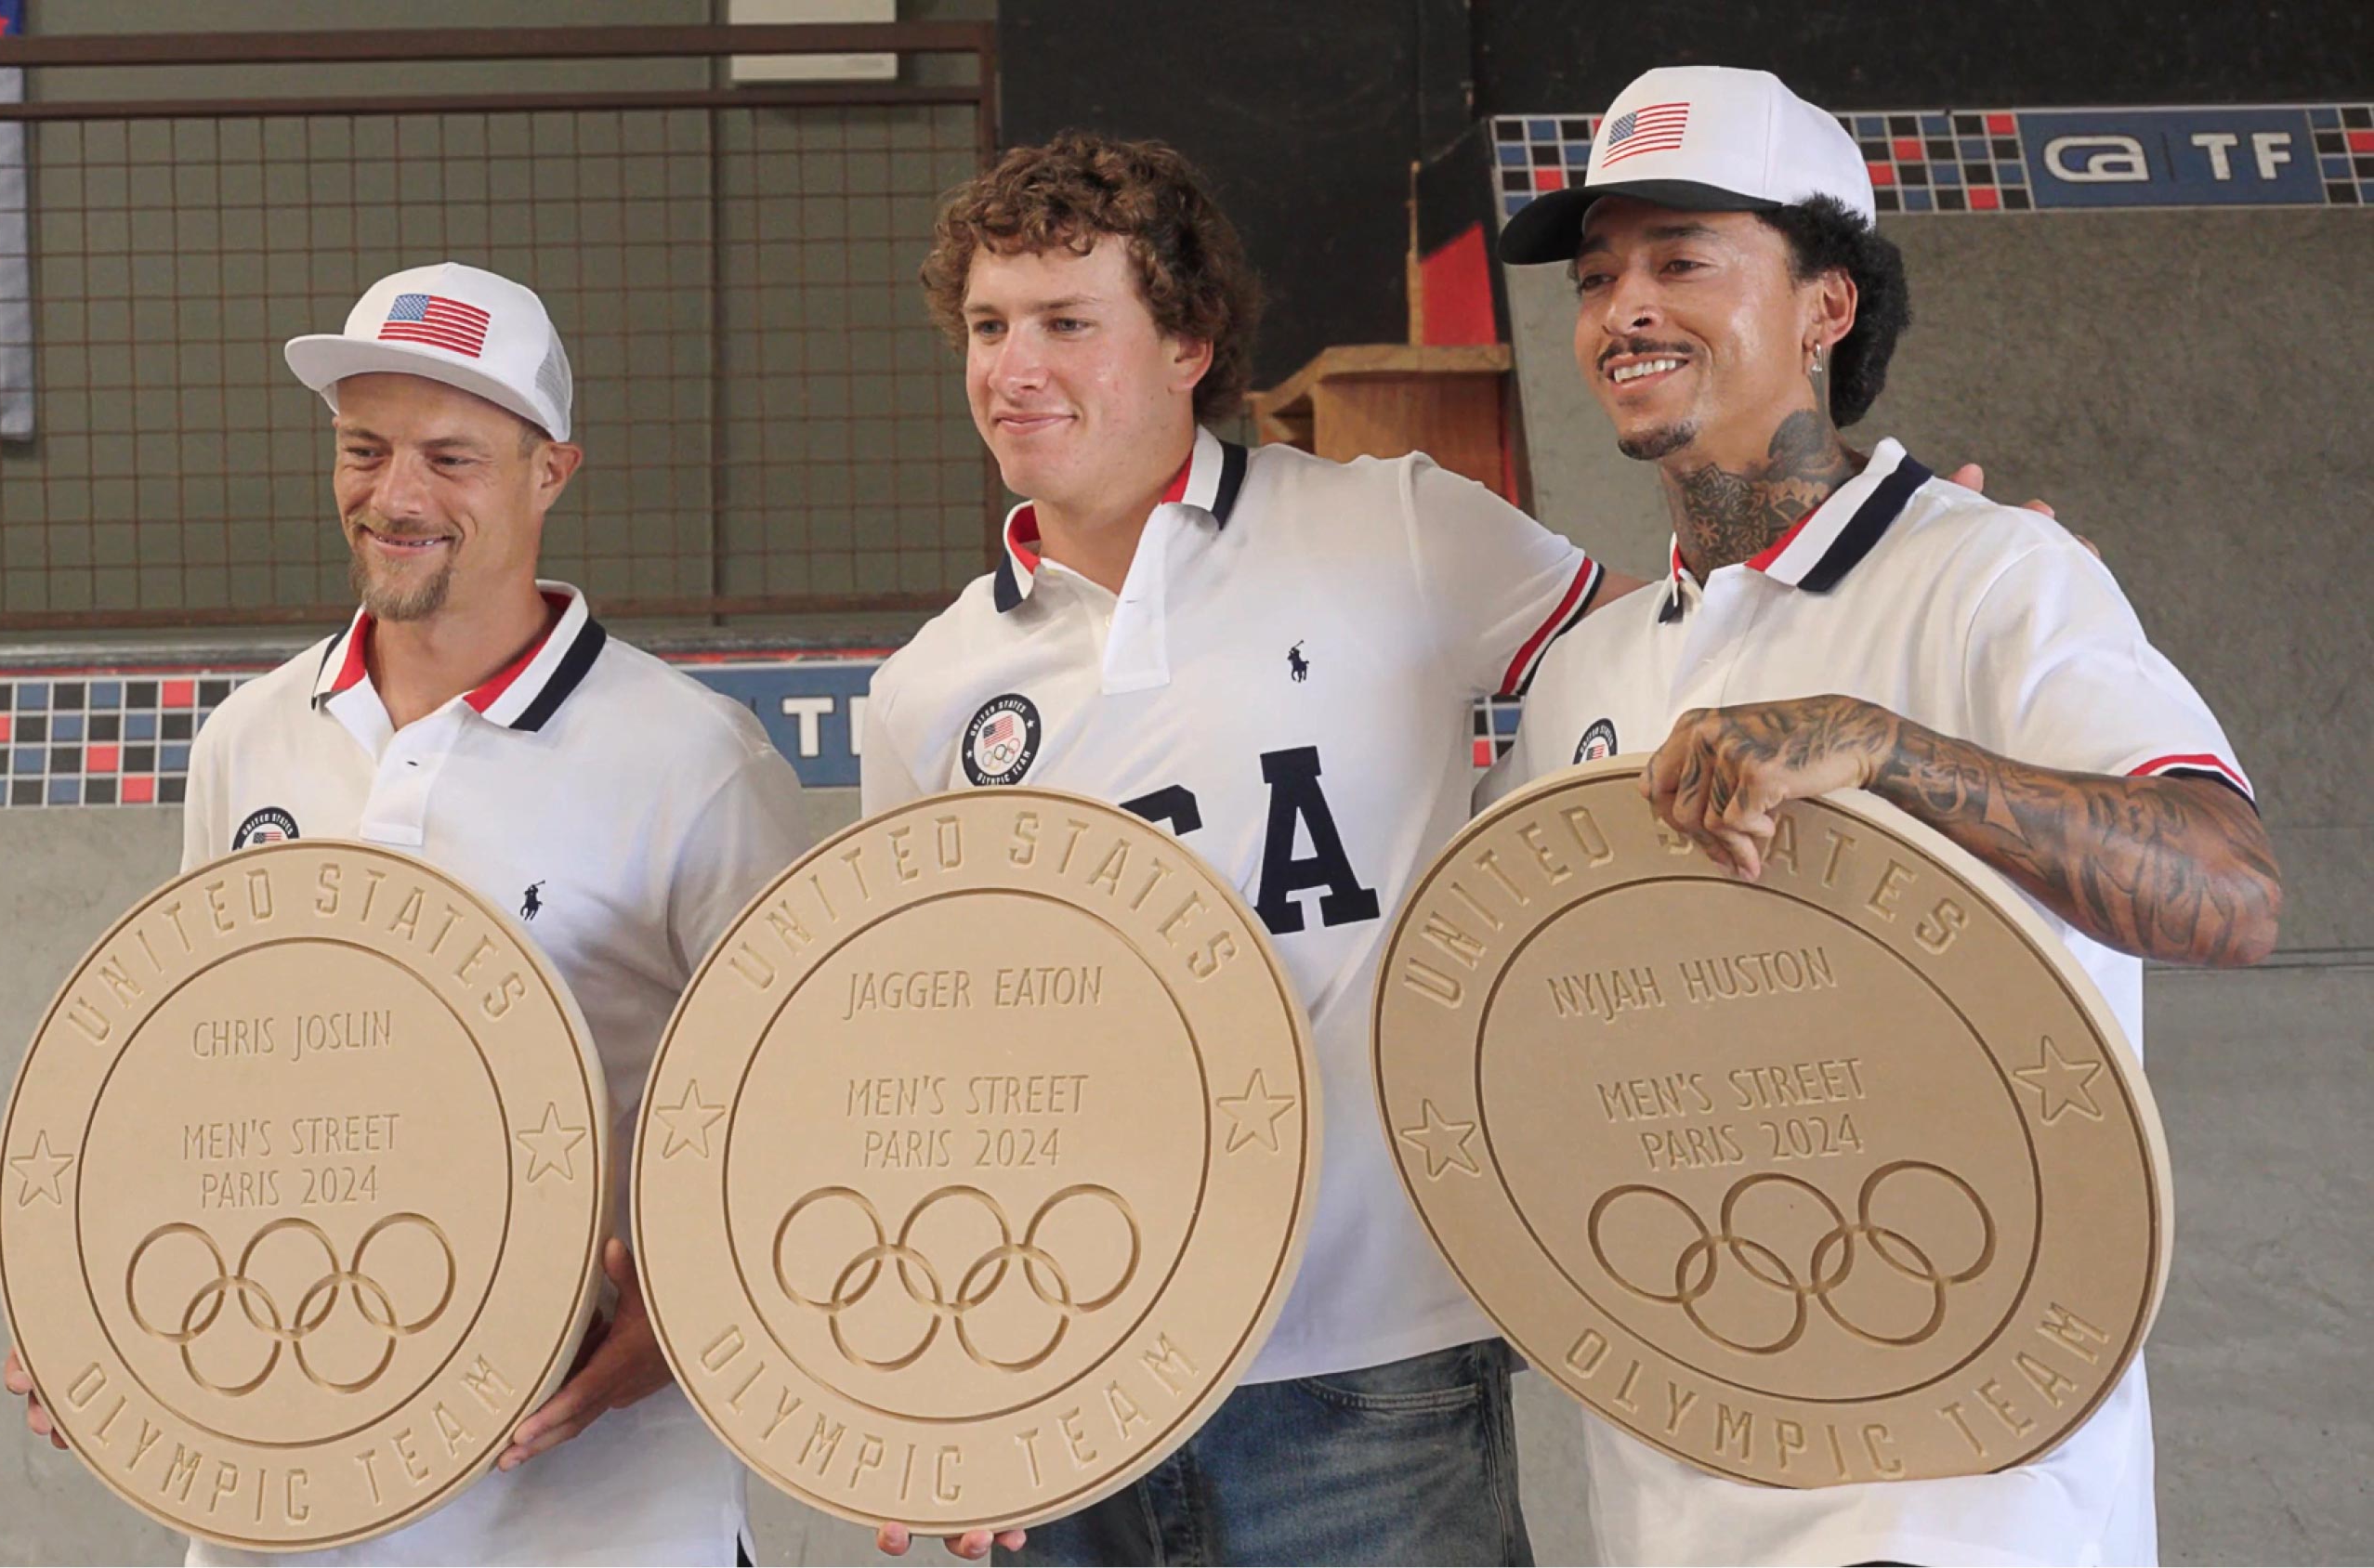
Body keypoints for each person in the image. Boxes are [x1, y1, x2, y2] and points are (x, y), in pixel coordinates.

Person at [1489, 65, 2280, 1566]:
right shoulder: (1589, 665)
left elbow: (2232, 891)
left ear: (1826, 305)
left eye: (1681, 261)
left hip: (1962, 1483)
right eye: (1598, 277)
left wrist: (1885, 748)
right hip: (1685, 1470)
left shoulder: (1994, 578)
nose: (1621, 311)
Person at [854, 130, 1667, 1566]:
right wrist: (947, 1383)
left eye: (1064, 323)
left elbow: (1660, 678)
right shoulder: (929, 688)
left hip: (1373, 1370)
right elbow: (922, 1058)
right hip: (1071, 1374)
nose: (1012, 367)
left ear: (1189, 341)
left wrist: (1884, 587)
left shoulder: (1400, 531)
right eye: (987, 326)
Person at [0, 261, 810, 1566]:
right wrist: (98, 1292)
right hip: (287, 1500)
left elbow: (795, 1130)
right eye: (363, 450)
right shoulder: (251, 741)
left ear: (552, 473)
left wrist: (668, 1331)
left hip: (601, 1515)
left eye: (452, 457)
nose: (397, 496)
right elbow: (203, 1077)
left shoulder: (695, 758)